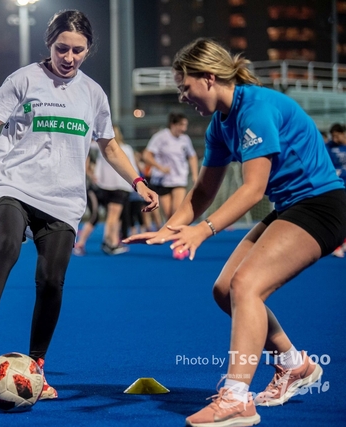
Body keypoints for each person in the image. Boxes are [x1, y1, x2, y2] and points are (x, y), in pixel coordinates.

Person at [0, 9, 158, 399]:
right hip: (13, 185)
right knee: (7, 245)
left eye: (78, 50)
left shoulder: (93, 94)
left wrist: (138, 182)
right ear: (49, 44)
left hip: (64, 198)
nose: (69, 57)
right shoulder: (23, 79)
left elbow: (110, 146)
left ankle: (35, 367)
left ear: (89, 49)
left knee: (51, 280)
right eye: (62, 48)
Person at [125, 38, 346, 426]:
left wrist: (202, 230)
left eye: (185, 87)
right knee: (225, 290)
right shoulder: (220, 124)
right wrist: (169, 229)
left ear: (209, 78)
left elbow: (253, 190)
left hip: (322, 205)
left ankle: (237, 399)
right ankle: (294, 364)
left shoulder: (256, 109)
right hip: (291, 206)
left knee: (246, 286)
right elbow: (203, 191)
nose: (183, 97)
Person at [74, 126, 139, 255]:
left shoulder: (103, 147)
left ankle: (110, 241)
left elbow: (90, 145)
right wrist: (137, 183)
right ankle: (108, 243)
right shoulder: (125, 149)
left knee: (111, 216)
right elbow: (132, 167)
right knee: (112, 217)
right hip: (119, 186)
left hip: (105, 186)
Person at [143, 112, 199, 221]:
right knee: (168, 214)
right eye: (181, 125)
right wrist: (160, 167)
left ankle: (178, 231)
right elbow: (147, 155)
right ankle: (171, 230)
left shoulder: (185, 139)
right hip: (163, 180)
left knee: (176, 210)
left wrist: (195, 175)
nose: (184, 129)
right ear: (173, 124)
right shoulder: (160, 137)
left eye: (185, 125)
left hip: (179, 179)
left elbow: (192, 156)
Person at [326, 124, 346, 257]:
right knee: (338, 215)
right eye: (333, 136)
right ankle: (337, 245)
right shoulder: (329, 148)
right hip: (337, 186)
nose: (334, 139)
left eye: (337, 136)